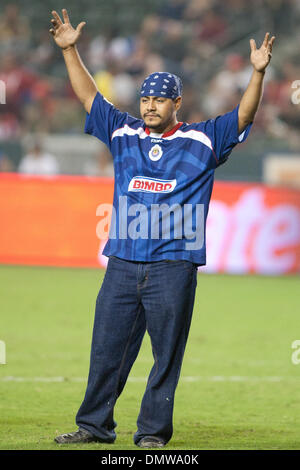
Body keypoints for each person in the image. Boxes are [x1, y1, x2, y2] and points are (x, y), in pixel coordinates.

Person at [49, 9, 275, 448]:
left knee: (164, 356)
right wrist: (70, 50)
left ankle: (151, 434)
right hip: (122, 262)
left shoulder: (205, 139)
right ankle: (94, 427)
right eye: (146, 99)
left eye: (159, 100)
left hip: (174, 265)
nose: (150, 106)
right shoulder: (123, 132)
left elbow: (243, 117)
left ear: (177, 104)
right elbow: (88, 98)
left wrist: (257, 74)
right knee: (106, 351)